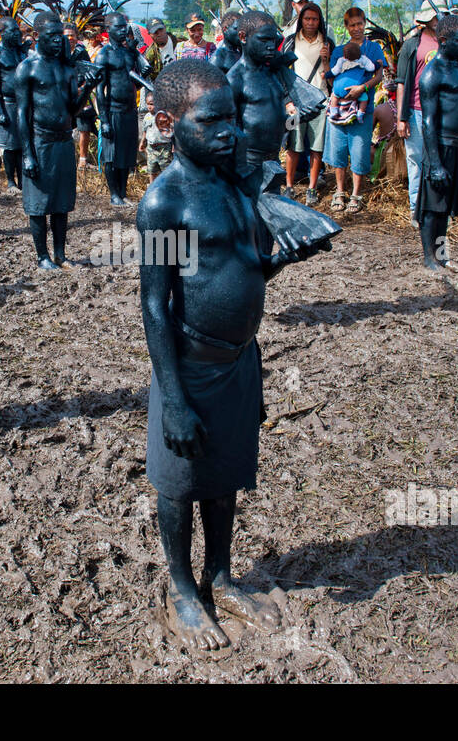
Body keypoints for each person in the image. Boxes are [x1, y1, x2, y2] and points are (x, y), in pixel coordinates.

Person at [137, 57, 332, 652]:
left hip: (239, 360)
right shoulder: (166, 204)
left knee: (223, 477)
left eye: (234, 118)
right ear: (169, 123)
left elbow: (244, 264)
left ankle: (219, 575)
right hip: (190, 368)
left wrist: (283, 257)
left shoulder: (233, 183)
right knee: (180, 480)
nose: (231, 131)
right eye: (213, 120)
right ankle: (181, 587)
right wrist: (173, 399)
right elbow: (155, 305)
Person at [15, 11, 100, 269]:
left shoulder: (66, 68)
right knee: (38, 205)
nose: (56, 42)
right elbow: (22, 114)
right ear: (37, 36)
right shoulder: (27, 68)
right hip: (39, 143)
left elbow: (73, 109)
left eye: (59, 37)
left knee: (61, 203)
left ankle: (60, 254)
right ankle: (42, 256)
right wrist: (28, 154)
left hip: (63, 143)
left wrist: (86, 88)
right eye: (51, 37)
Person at [416, 13, 458, 272]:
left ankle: (442, 255)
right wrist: (435, 163)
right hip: (440, 148)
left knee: (446, 210)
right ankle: (429, 257)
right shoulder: (433, 74)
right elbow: (428, 122)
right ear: (443, 41)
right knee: (433, 208)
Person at [324, 7, 386, 214]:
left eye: (360, 24)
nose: (356, 28)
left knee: (359, 151)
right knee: (338, 150)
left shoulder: (374, 49)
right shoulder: (338, 51)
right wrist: (326, 60)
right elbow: (331, 78)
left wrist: (363, 88)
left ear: (365, 23)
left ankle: (356, 193)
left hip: (363, 109)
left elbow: (379, 75)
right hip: (339, 109)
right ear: (346, 27)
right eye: (352, 25)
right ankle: (340, 191)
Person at [395, 0, 444, 224]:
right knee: (415, 159)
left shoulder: (449, 43)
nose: (437, 20)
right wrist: (401, 118)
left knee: (439, 159)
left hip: (443, 111)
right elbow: (402, 82)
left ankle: (438, 207)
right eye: (434, 16)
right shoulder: (411, 45)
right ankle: (416, 208)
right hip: (415, 109)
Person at [94, 13, 150, 206]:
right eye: (118, 27)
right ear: (108, 29)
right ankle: (114, 194)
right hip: (113, 110)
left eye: (125, 26)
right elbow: (99, 90)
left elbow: (140, 80)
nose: (123, 30)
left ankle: (123, 192)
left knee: (126, 154)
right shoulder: (104, 54)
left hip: (129, 109)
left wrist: (137, 56)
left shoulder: (129, 53)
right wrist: (104, 120)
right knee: (111, 155)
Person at [227, 11, 291, 172]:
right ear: (243, 37)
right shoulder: (235, 79)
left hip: (274, 159)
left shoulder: (272, 73)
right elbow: (227, 128)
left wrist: (296, 120)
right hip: (248, 163)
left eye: (273, 40)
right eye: (264, 40)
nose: (271, 46)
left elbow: (275, 121)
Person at [285, 0, 331, 204]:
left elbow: (332, 78)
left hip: (320, 102)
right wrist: (287, 101)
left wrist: (327, 60)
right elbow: (282, 73)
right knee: (292, 146)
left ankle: (312, 188)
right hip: (295, 103)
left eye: (314, 19)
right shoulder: (290, 42)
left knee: (316, 147)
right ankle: (288, 186)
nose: (311, 22)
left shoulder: (327, 43)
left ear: (319, 20)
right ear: (300, 20)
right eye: (307, 18)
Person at [0, 17, 29, 193]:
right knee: (10, 146)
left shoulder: (22, 52)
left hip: (24, 103)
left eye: (18, 30)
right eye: (12, 31)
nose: (17, 33)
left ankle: (22, 180)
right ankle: (11, 181)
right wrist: (0, 110)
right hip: (8, 103)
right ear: (3, 33)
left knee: (22, 144)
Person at [139, 89, 171, 183]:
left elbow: (171, 132)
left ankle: (166, 188)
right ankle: (152, 189)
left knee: (166, 171)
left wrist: (174, 146)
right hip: (151, 148)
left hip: (164, 148)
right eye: (148, 104)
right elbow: (145, 131)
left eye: (152, 104)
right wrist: (142, 142)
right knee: (152, 171)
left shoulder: (163, 116)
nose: (149, 107)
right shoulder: (147, 117)